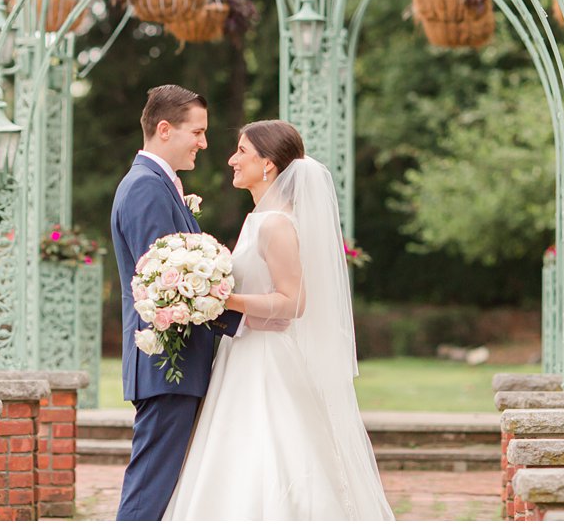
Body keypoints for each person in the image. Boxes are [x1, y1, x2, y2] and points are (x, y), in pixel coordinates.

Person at [164, 119, 394, 521]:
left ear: (268, 164)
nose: (233, 159)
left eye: (242, 151)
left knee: (270, 448)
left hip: (267, 359)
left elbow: (293, 302)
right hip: (244, 352)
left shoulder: (276, 224)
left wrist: (222, 298)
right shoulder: (259, 218)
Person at [110, 85, 242, 521]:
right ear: (165, 130)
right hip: (168, 364)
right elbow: (169, 286)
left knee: (167, 486)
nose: (205, 143)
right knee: (151, 487)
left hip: (175, 365)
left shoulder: (154, 184)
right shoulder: (146, 188)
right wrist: (250, 318)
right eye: (198, 132)